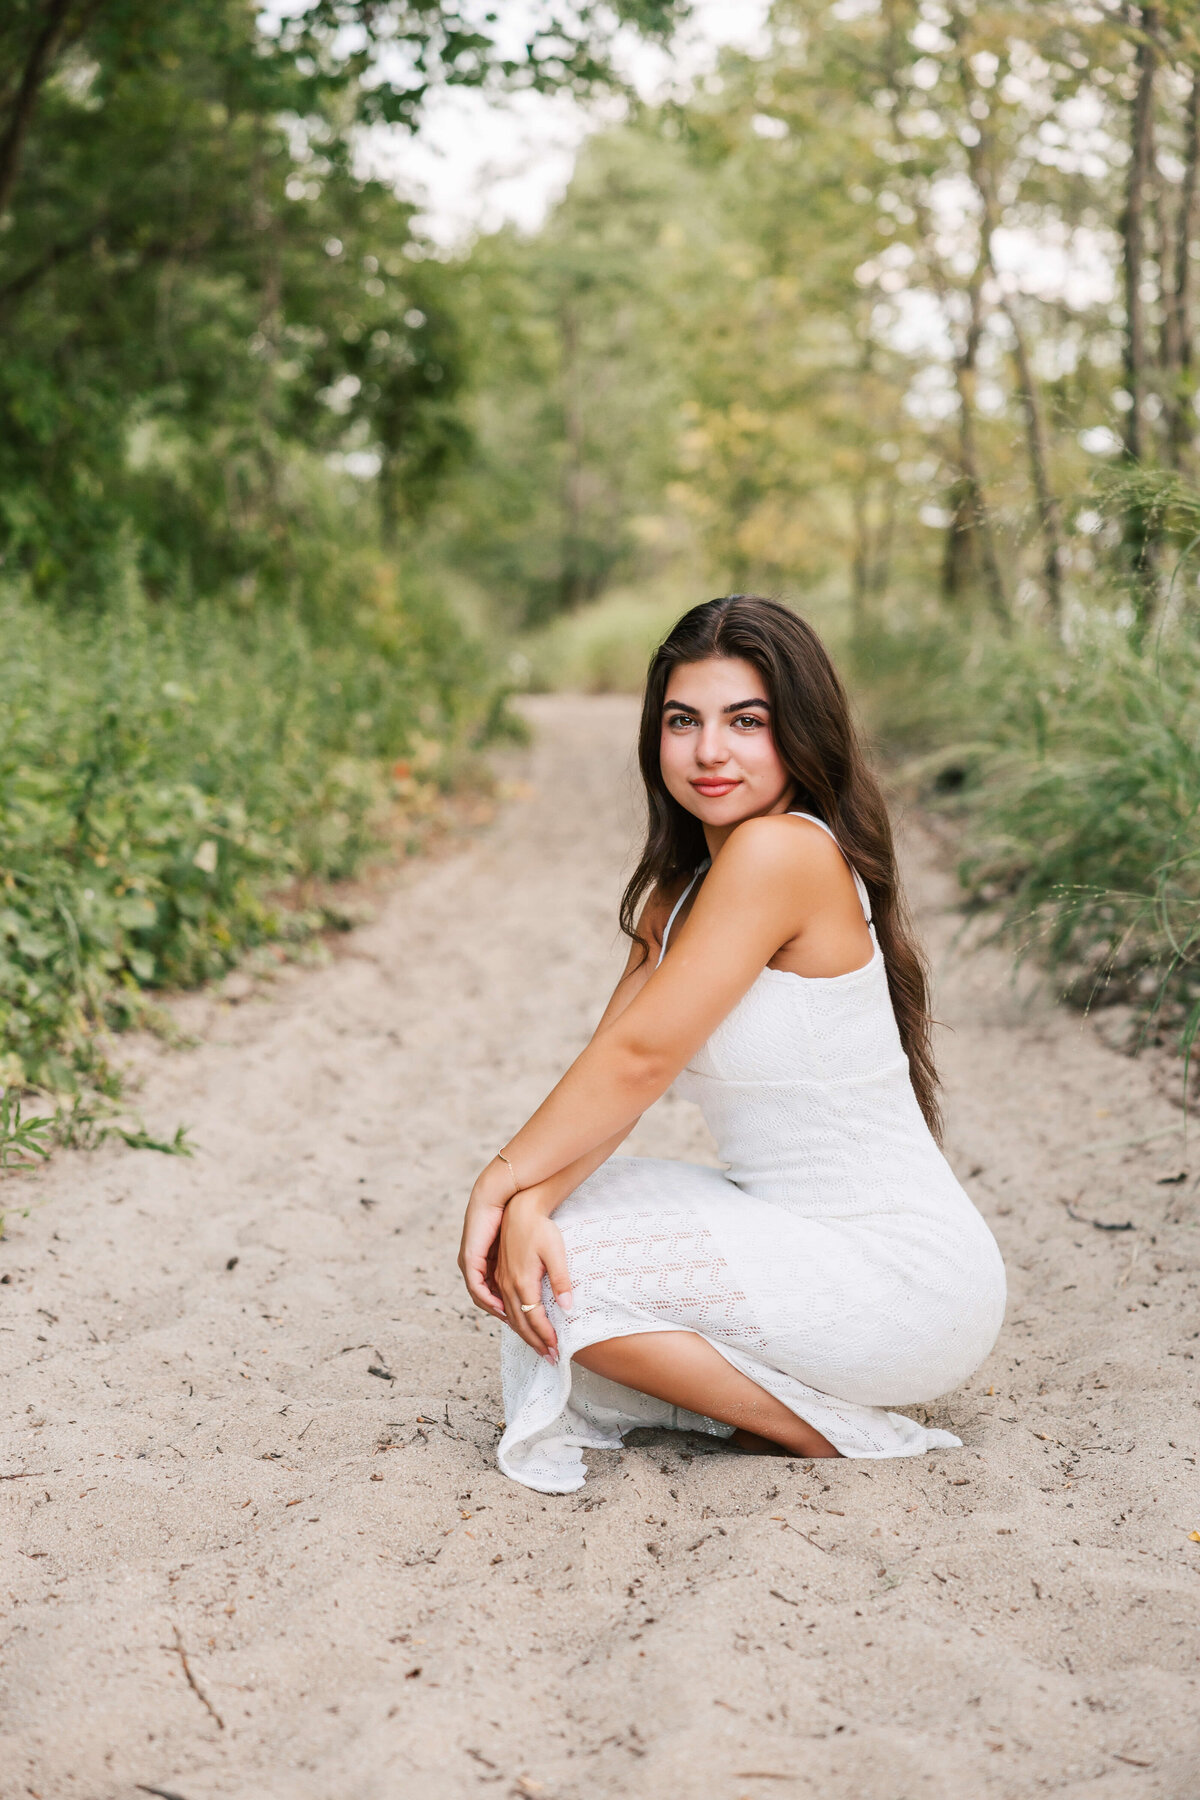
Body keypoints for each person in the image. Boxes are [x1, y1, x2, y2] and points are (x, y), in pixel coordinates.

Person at [458, 596, 1006, 1494]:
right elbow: (621, 1070)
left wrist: (501, 1177)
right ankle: (776, 1392)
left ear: (799, 733)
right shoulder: (678, 893)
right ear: (656, 737)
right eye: (684, 721)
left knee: (567, 1274)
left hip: (907, 1279)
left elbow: (638, 1063)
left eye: (746, 722)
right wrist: (531, 1202)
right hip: (796, 1230)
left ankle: (810, 1428)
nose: (710, 751)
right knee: (553, 1240)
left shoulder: (783, 854)